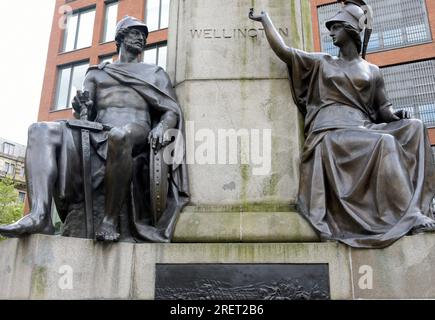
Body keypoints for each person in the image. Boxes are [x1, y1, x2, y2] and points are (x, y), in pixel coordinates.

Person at [249, 1, 435, 248]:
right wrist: (265, 20)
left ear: (350, 30)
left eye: (336, 27)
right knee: (386, 142)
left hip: (363, 127)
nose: (331, 32)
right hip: (331, 132)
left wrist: (396, 114)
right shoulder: (322, 62)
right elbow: (285, 51)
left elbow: (382, 109)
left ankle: (417, 208)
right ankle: (408, 217)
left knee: (415, 127)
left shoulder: (372, 70)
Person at [0, 16, 189, 243]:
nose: (140, 38)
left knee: (119, 135)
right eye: (134, 32)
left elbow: (171, 109)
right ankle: (40, 215)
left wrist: (162, 126)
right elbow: (85, 114)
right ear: (120, 37)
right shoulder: (97, 73)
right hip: (98, 129)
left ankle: (109, 219)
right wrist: (82, 108)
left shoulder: (155, 73)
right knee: (40, 129)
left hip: (136, 129)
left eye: (143, 35)